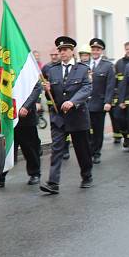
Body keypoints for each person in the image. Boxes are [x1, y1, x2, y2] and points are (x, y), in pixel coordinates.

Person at [40, 36, 93, 194]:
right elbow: (54, 93)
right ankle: (53, 182)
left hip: (78, 116)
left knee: (81, 149)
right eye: (60, 50)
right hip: (59, 117)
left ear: (72, 51)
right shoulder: (52, 69)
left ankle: (86, 175)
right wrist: (47, 88)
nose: (62, 52)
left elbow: (87, 88)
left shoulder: (83, 69)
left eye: (65, 50)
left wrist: (73, 101)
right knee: (57, 150)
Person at [0, 81, 43, 187]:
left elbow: (36, 88)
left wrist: (26, 106)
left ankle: (35, 174)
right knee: (8, 147)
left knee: (30, 148)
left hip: (26, 117)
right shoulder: (6, 67)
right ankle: (1, 176)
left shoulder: (26, 66)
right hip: (9, 116)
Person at [86, 38, 116, 164]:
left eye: (97, 49)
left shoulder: (108, 66)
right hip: (85, 103)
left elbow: (110, 85)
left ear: (101, 51)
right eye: (93, 49)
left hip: (99, 103)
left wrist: (108, 102)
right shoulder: (84, 64)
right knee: (86, 129)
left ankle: (96, 152)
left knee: (98, 129)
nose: (95, 51)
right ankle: (88, 151)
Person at [112, 41, 129, 147]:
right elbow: (115, 81)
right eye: (127, 49)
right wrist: (115, 96)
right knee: (118, 117)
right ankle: (126, 136)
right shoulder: (119, 63)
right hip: (121, 96)